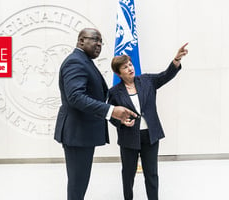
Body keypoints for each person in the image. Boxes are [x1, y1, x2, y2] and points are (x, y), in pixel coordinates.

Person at [54, 28, 137, 200]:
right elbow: (75, 97)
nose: (99, 44)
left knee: (80, 182)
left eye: (101, 41)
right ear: (81, 41)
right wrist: (111, 111)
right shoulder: (75, 62)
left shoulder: (83, 60)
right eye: (95, 40)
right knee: (78, 184)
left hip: (82, 133)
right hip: (77, 133)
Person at [108, 43, 188, 200]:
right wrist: (121, 122)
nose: (130, 68)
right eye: (125, 67)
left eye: (130, 64)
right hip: (128, 138)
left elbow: (166, 75)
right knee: (128, 174)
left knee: (151, 173)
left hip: (150, 136)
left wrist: (176, 59)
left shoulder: (147, 81)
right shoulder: (114, 92)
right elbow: (111, 115)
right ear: (119, 73)